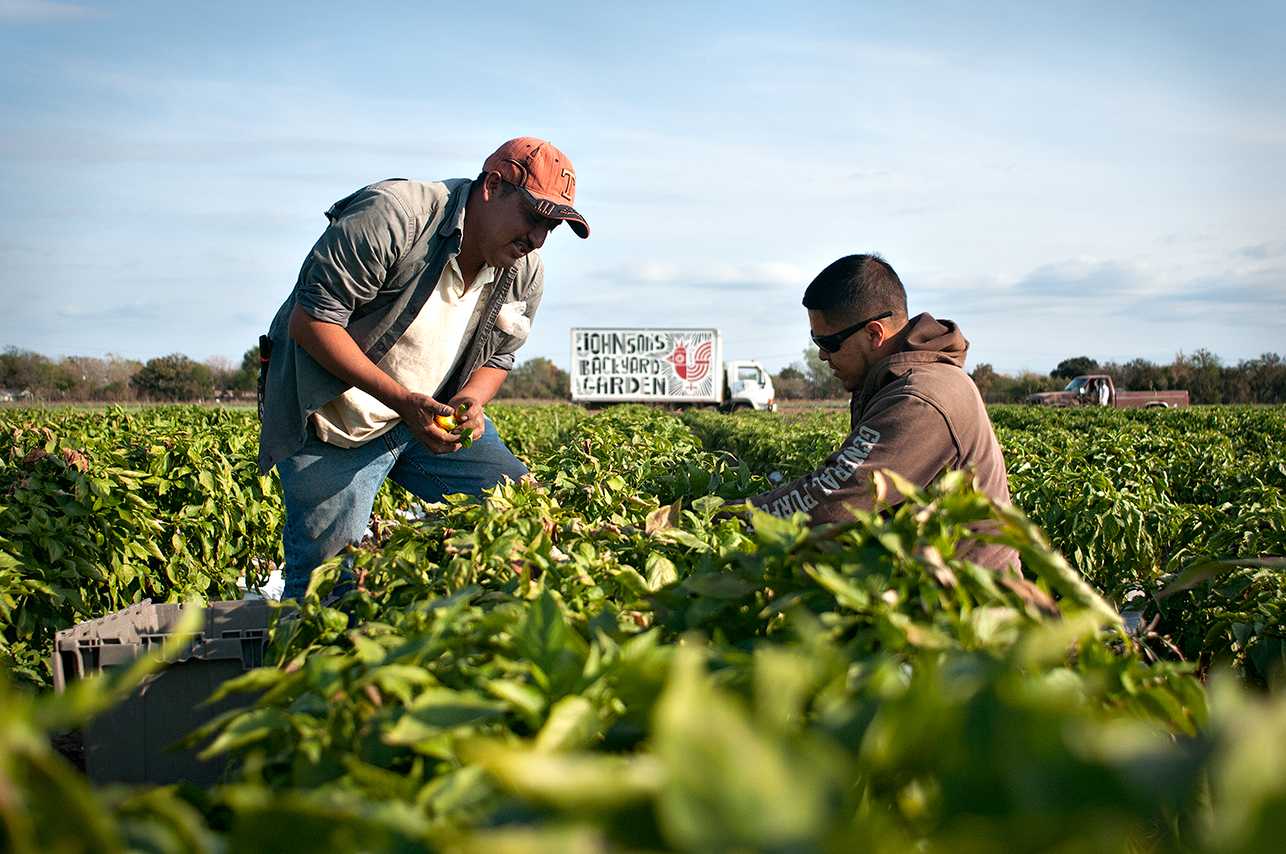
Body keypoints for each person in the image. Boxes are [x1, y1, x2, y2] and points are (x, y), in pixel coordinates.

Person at [257, 137, 589, 599]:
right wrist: (401, 401)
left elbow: (499, 357)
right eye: (534, 218)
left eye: (550, 228)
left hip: (424, 414)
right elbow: (312, 323)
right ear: (493, 186)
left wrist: (470, 401)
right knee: (326, 594)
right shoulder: (395, 215)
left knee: (523, 515)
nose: (537, 238)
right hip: (334, 424)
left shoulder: (525, 268)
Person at [746, 254, 1017, 571]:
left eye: (828, 342)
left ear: (874, 334)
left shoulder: (918, 398)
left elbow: (833, 499)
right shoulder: (890, 383)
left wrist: (714, 517)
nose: (821, 354)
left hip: (974, 607)